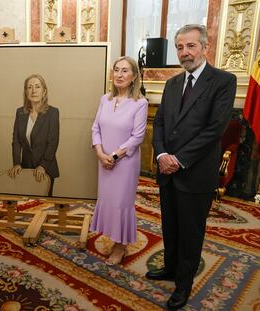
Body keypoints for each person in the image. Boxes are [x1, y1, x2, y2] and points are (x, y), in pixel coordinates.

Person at [146, 24, 237, 310]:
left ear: (205, 47)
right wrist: (161, 155)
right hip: (167, 171)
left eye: (191, 46)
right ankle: (171, 268)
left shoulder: (223, 81)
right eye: (180, 47)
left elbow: (215, 129)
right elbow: (159, 122)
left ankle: (183, 285)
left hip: (195, 173)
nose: (185, 53)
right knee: (170, 226)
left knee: (191, 232)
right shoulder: (173, 83)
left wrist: (179, 159)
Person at [90, 56, 148, 266]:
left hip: (124, 163)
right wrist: (99, 153)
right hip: (104, 161)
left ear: (134, 77)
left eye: (125, 71)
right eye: (116, 70)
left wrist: (113, 156)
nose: (119, 75)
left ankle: (121, 245)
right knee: (108, 200)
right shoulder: (104, 99)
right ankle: (112, 236)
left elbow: (137, 137)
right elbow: (95, 127)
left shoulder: (140, 103)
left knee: (122, 203)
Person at [8, 74, 59, 196]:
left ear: (44, 91)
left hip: (45, 168)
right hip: (26, 168)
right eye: (29, 87)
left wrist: (43, 166)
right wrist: (16, 163)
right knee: (26, 205)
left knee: (44, 206)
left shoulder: (52, 113)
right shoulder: (20, 112)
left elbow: (53, 142)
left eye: (37, 87)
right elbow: (16, 140)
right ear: (26, 92)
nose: (33, 90)